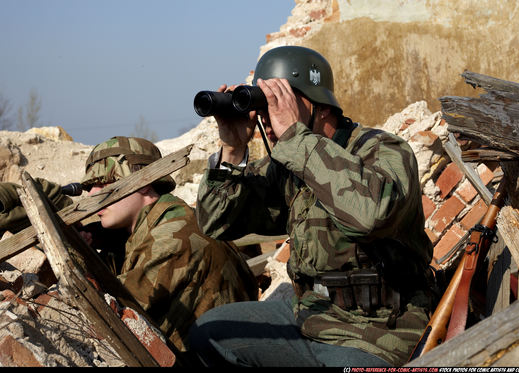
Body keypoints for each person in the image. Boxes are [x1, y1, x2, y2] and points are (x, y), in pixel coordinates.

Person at [187, 46, 436, 367]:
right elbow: (216, 224)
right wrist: (232, 150)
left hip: (376, 332)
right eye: (265, 106)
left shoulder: (382, 150)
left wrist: (294, 136)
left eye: (278, 101)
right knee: (208, 334)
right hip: (310, 314)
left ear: (317, 105)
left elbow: (369, 216)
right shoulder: (287, 164)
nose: (269, 117)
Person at [0, 136, 259, 361]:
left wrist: (76, 252)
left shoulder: (174, 234)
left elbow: (105, 313)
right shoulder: (147, 227)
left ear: (142, 182)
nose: (92, 195)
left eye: (103, 183)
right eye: (90, 187)